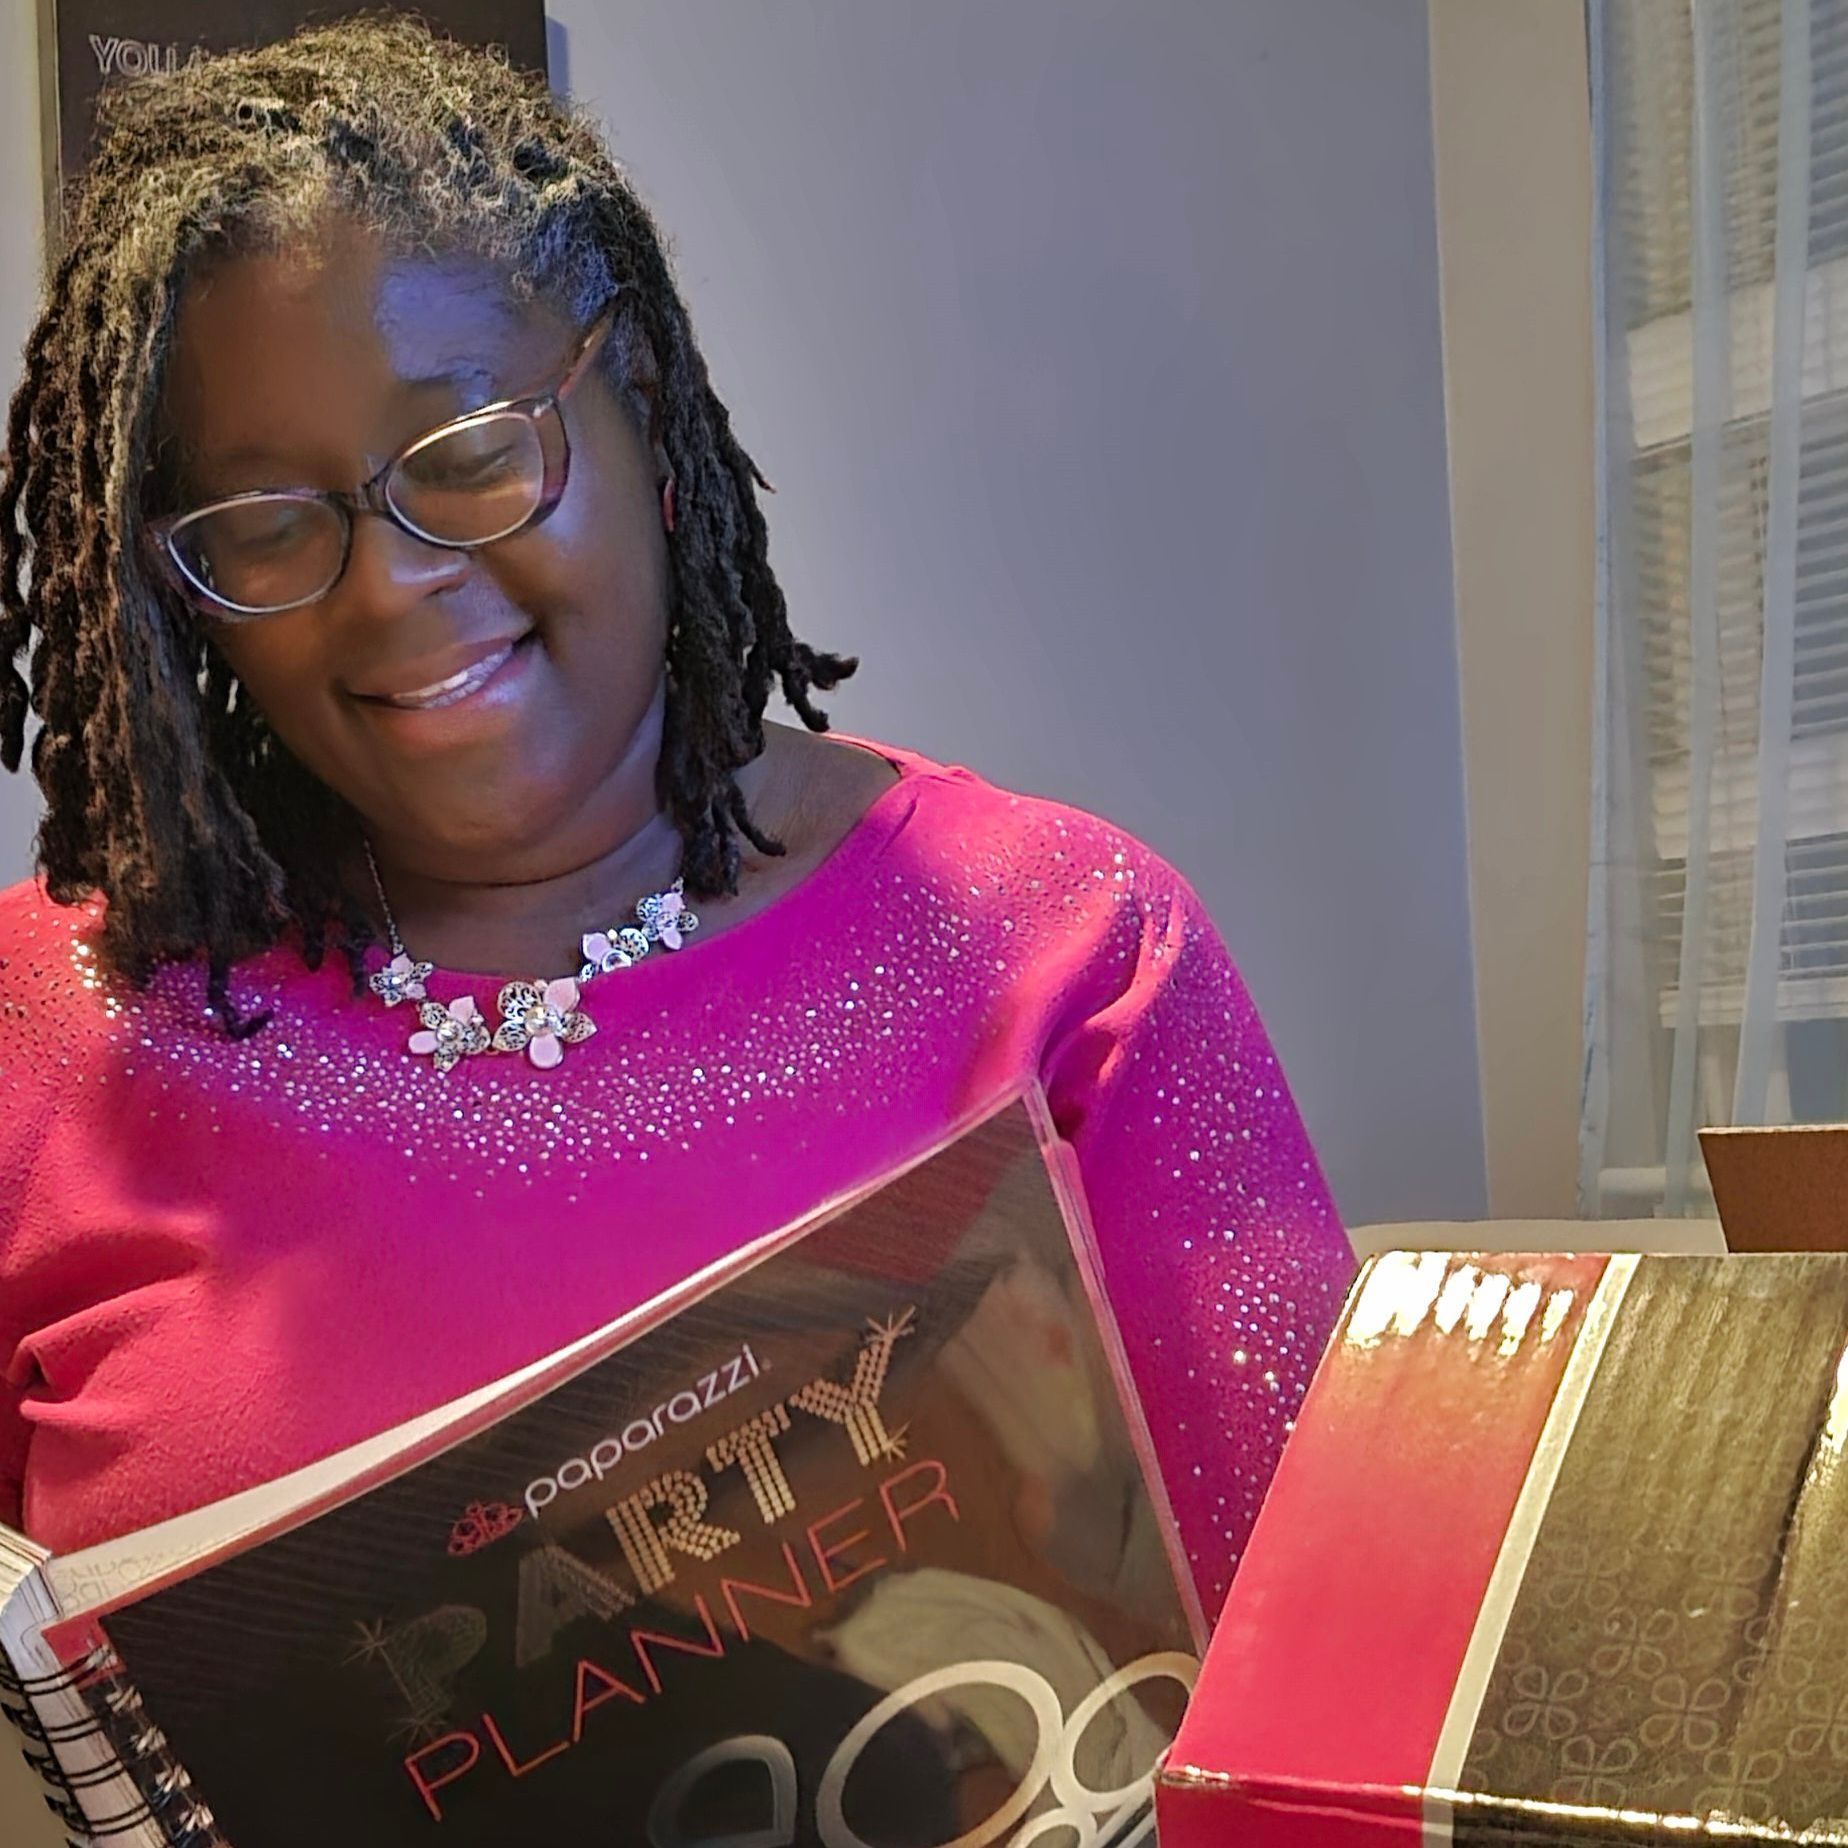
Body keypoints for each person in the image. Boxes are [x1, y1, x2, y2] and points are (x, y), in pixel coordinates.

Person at [0, 17, 1350, 1620]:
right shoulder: (47, 1033)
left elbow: (1321, 1657)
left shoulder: (1069, 951)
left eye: (471, 454)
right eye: (271, 527)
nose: (394, 586)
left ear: (635, 398)